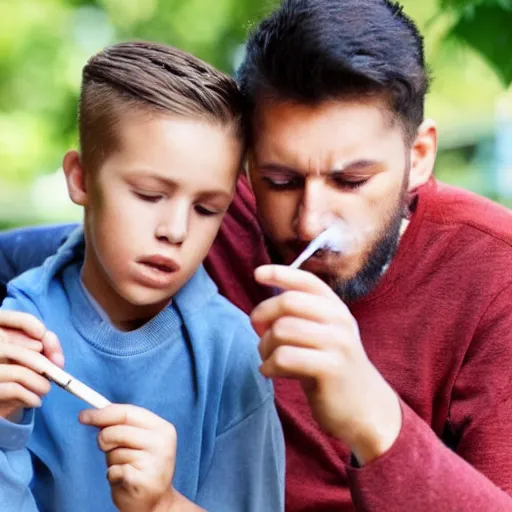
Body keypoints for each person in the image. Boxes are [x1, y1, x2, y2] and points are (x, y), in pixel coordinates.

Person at [2, 0, 512, 510]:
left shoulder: (493, 274)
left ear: (418, 156)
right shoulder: (210, 215)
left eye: (351, 181)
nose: (310, 220)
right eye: (280, 181)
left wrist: (375, 421)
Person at [0, 41, 284, 512]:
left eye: (207, 208)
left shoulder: (231, 354)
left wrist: (165, 505)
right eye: (150, 195)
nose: (175, 230)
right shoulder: (18, 335)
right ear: (81, 179)